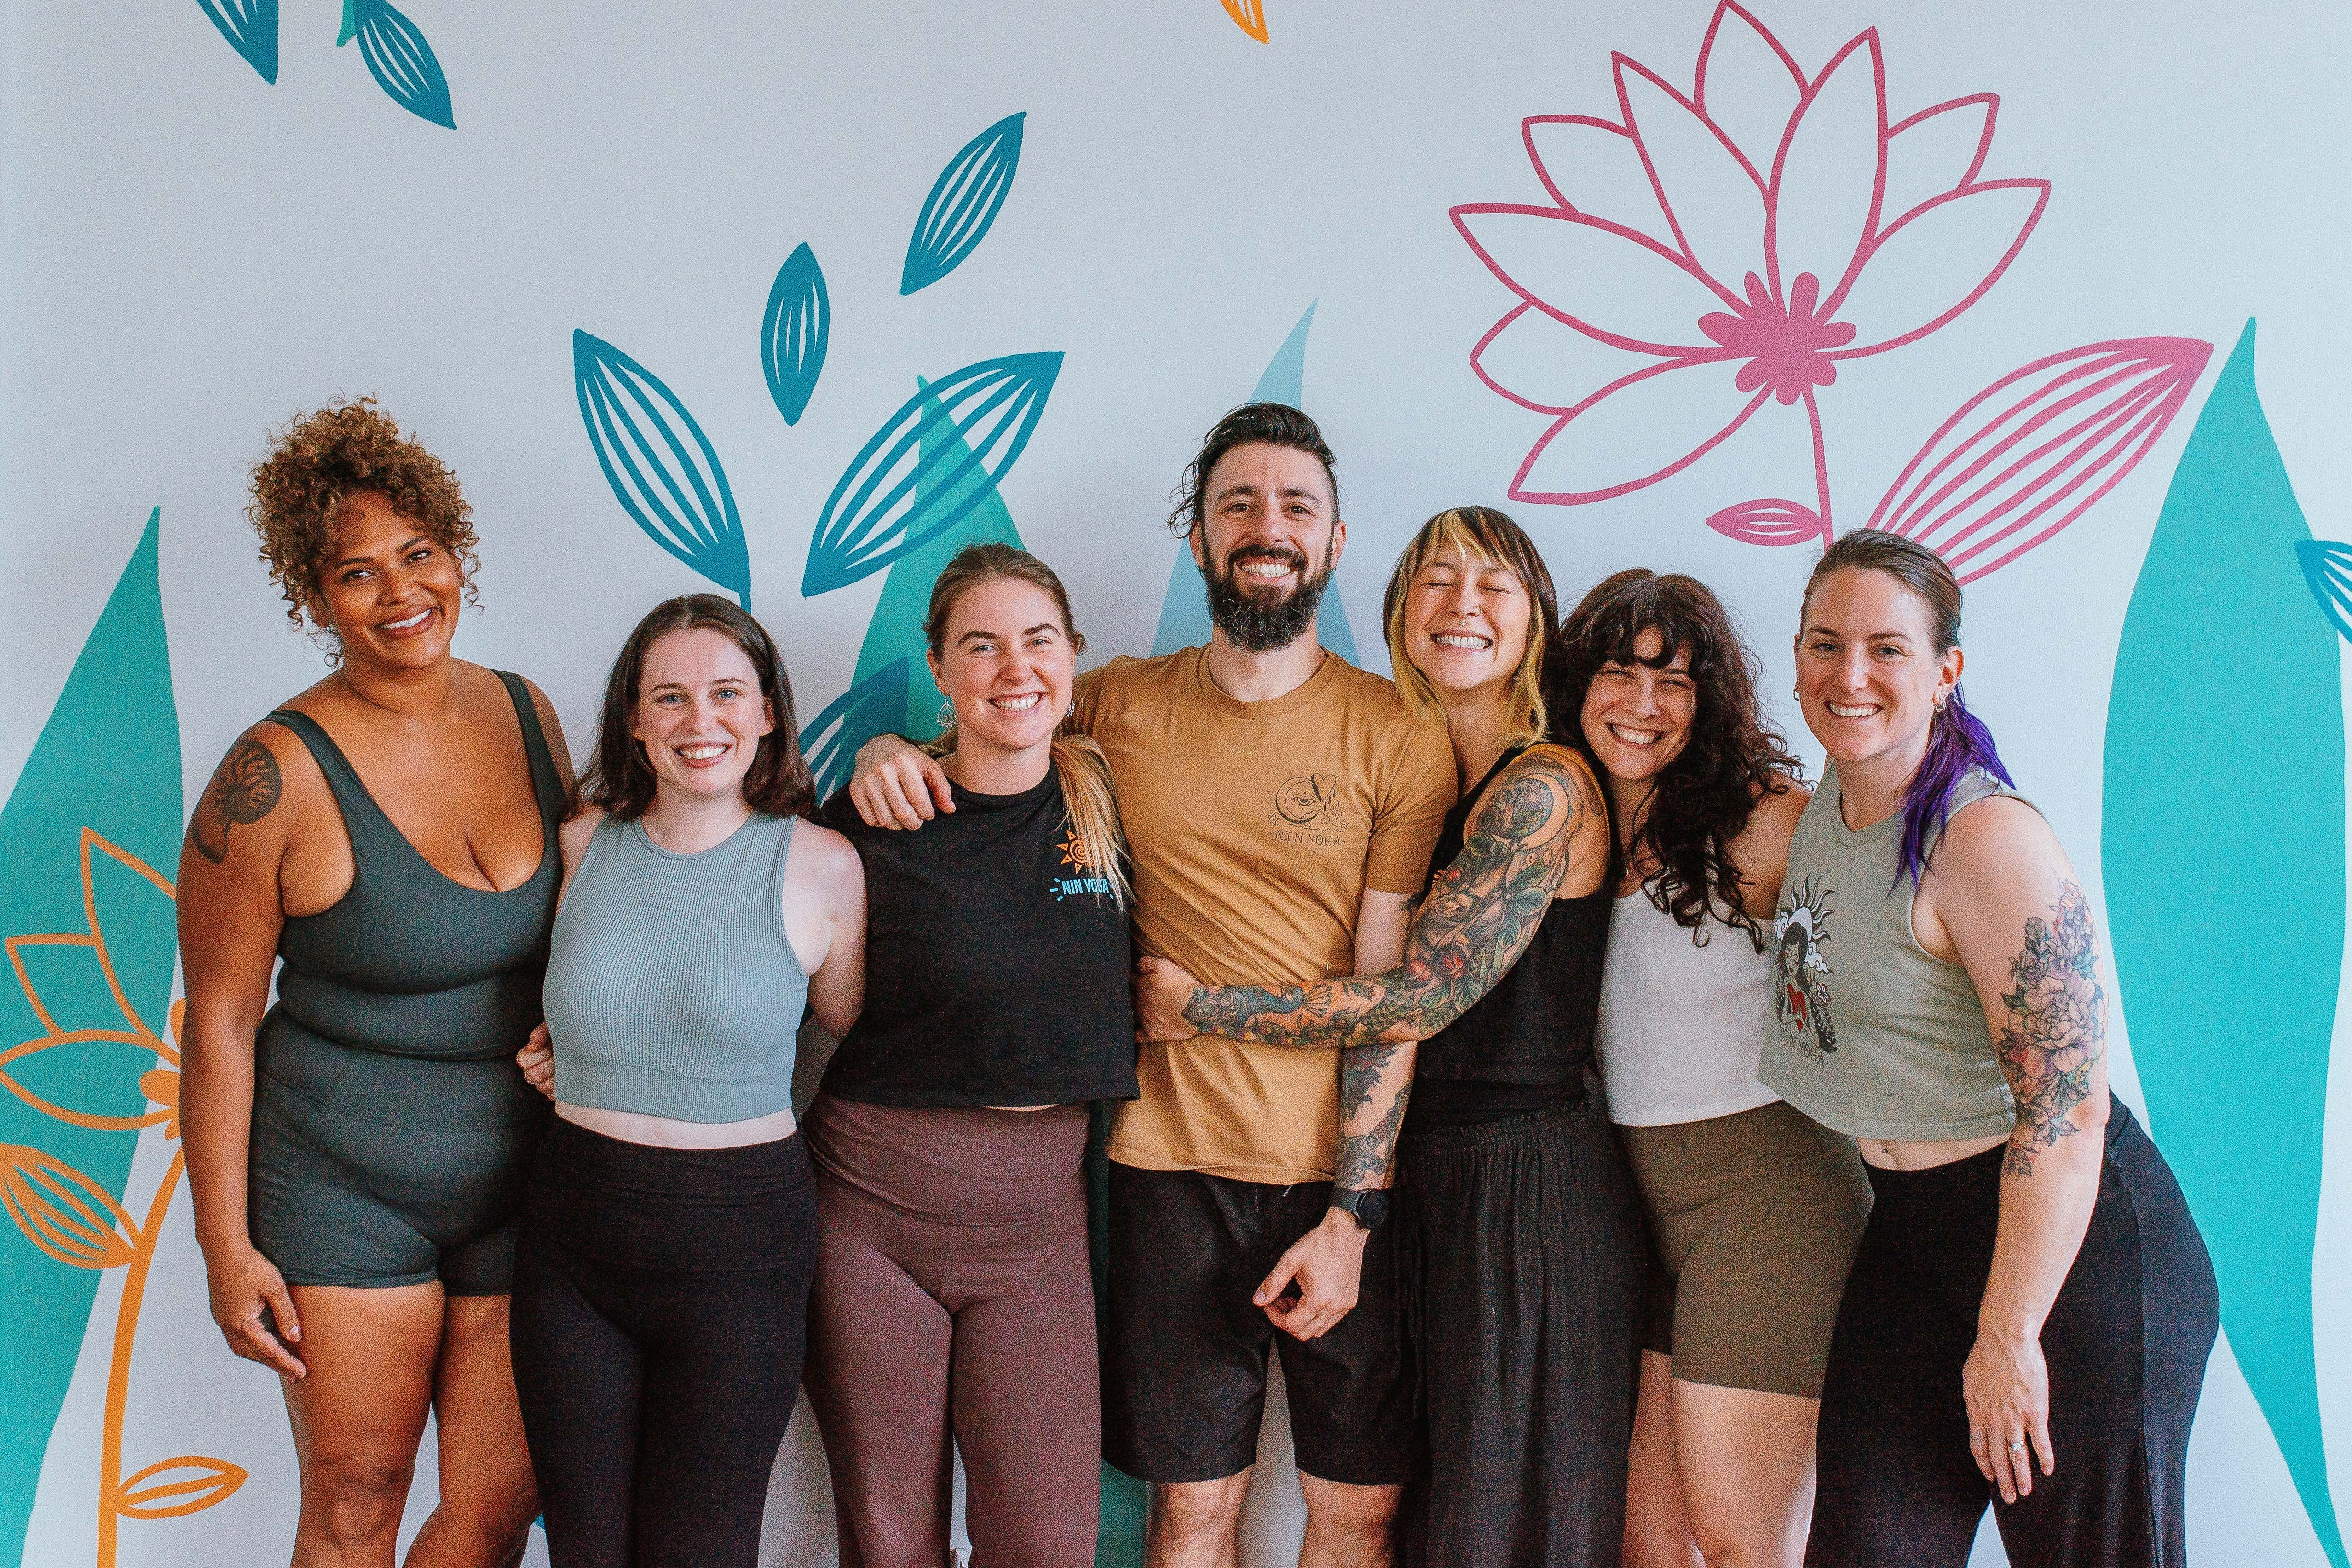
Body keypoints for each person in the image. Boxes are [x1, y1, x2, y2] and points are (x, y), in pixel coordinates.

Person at [850, 403, 1457, 1568]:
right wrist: (889, 754)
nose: (1265, 526)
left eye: (1295, 506)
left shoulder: (1398, 730)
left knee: (1359, 1514)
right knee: (1190, 1514)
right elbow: (996, 733)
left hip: (1340, 1185)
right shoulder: (1119, 702)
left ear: (1336, 542)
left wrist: (1353, 1216)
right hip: (1166, 1177)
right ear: (1198, 538)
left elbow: (1390, 1001)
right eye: (1237, 504)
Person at [1132, 506, 1641, 1568]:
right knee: (1434, 1514)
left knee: (1500, 1519)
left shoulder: (1542, 788)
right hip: (1432, 1182)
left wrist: (1207, 1007)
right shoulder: (1433, 777)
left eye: (1493, 586)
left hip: (1525, 1193)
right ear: (1399, 608)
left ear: (1535, 618)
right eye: (1436, 582)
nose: (1463, 606)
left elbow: (1415, 1000)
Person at [1763, 530, 2217, 1567]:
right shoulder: (1831, 805)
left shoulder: (1986, 841)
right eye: (1825, 644)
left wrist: (2011, 1336)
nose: (1850, 675)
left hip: (2073, 1264)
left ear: (1945, 671)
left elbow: (2068, 1113)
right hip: (1914, 1238)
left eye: (1887, 648)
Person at [178, 398, 565, 1566]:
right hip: (343, 1193)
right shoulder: (271, 775)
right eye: (357, 573)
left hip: (520, 1180)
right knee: (356, 1510)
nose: (402, 593)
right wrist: (223, 1248)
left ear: (456, 556)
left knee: (499, 1513)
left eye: (420, 554)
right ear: (315, 598)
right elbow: (223, 1026)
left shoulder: (527, 711)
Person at [801, 544, 1139, 1568]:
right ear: (941, 671)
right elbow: (783, 988)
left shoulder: (1113, 804)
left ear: (1073, 656)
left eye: (1038, 641)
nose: (1014, 669)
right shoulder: (874, 815)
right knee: (891, 1541)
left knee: (1045, 1544)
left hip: (1039, 1235)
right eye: (979, 646)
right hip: (869, 1217)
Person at [507, 596, 863, 1568]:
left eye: (723, 695)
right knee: (586, 1551)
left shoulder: (824, 866)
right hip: (574, 1242)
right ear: (633, 719)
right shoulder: (580, 845)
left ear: (766, 715)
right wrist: (566, 1061)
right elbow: (562, 1005)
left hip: (741, 1249)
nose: (698, 722)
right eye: (669, 697)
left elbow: (839, 1041)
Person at [1549, 571, 1870, 1568]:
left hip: (1769, 1198)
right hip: (1642, 1216)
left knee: (1742, 1543)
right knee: (1648, 1542)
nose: (1644, 705)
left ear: (1712, 699)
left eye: (1675, 682)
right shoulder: (1560, 814)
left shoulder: (1769, 820)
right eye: (1619, 672)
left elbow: (1905, 926)